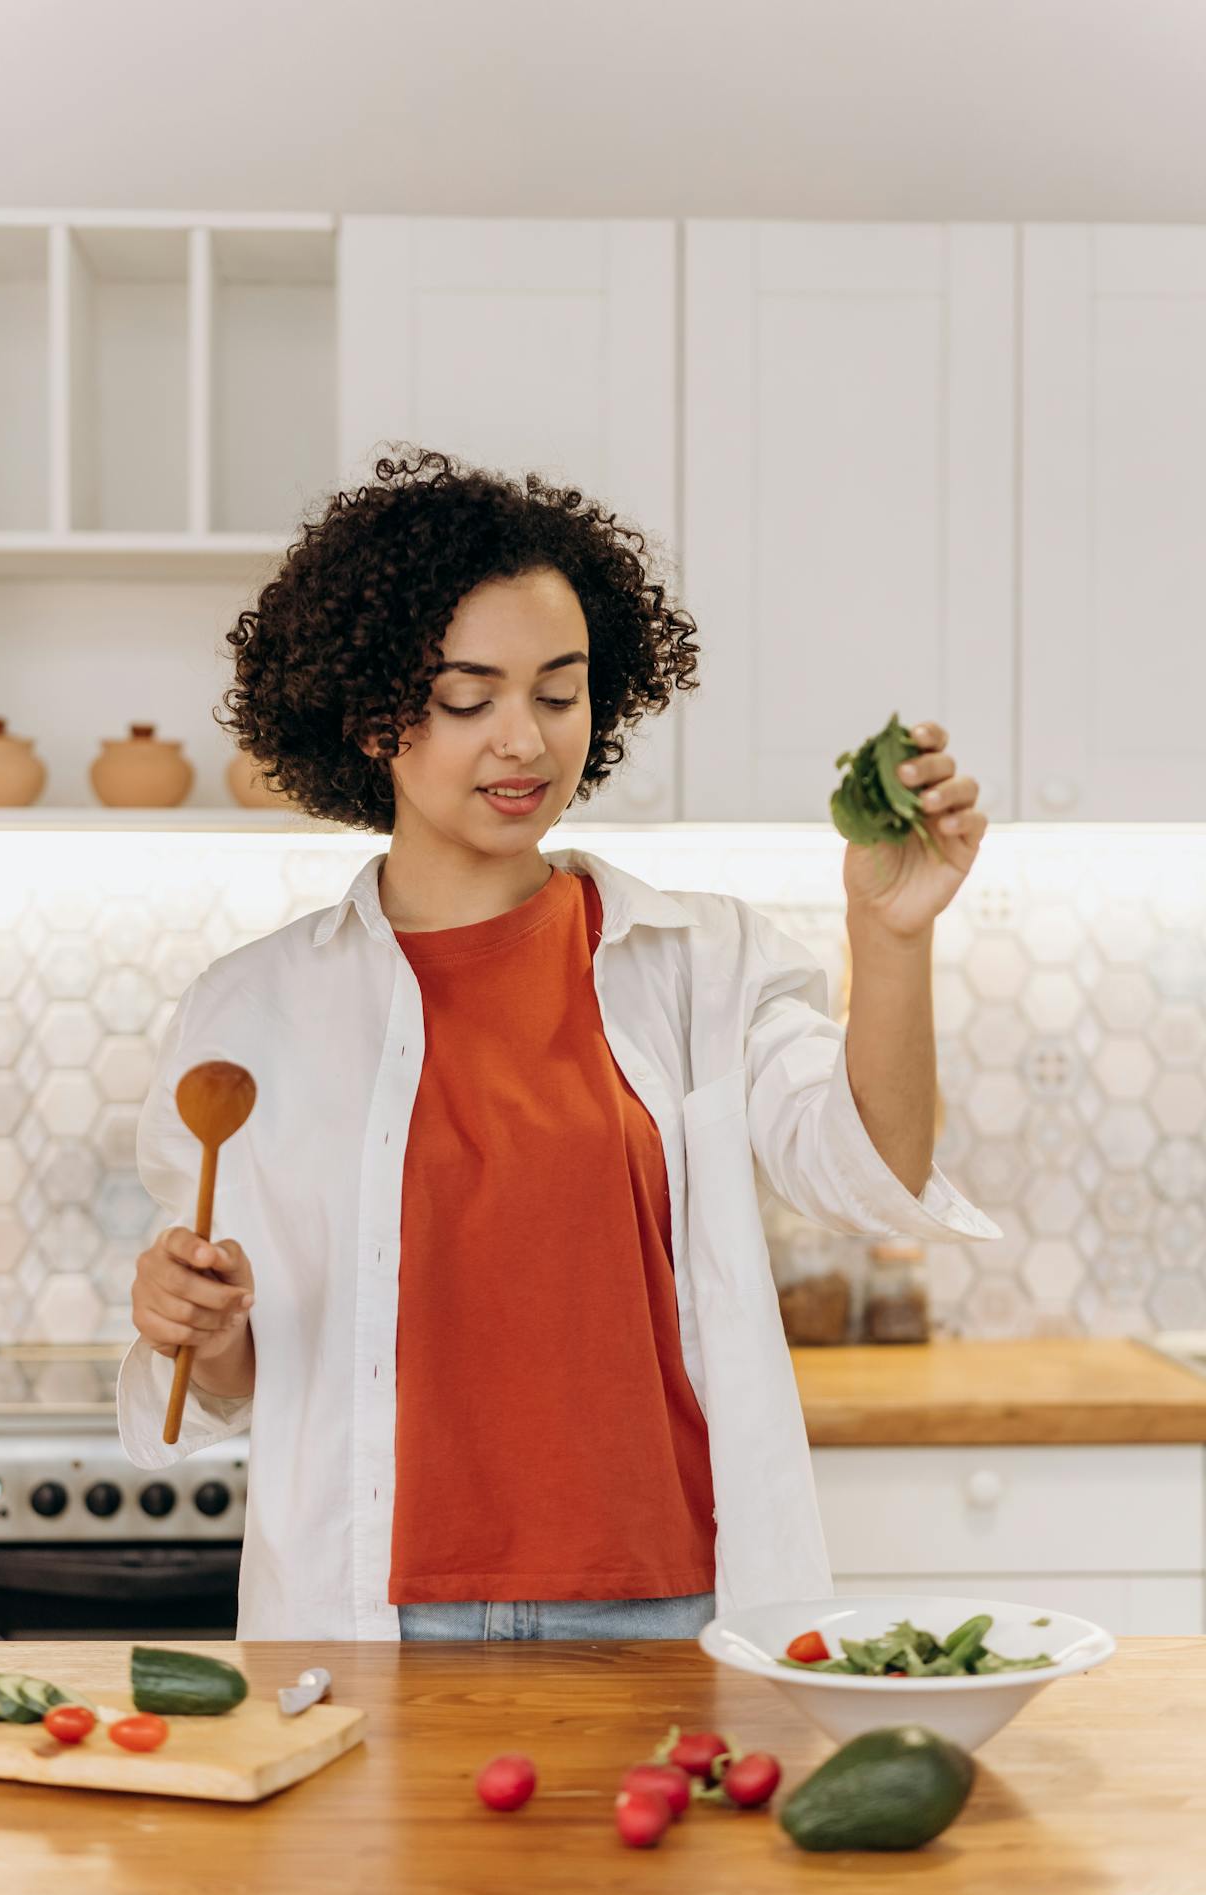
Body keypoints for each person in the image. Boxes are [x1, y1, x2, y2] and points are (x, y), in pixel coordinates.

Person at [117, 445, 999, 1643]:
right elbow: (231, 1382)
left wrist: (887, 938)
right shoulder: (252, 1013)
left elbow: (874, 1171)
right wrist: (203, 1332)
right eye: (467, 697)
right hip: (370, 1620)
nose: (523, 741)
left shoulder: (699, 963)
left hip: (675, 1608)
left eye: (557, 691)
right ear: (374, 712)